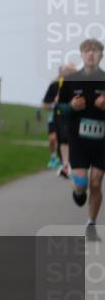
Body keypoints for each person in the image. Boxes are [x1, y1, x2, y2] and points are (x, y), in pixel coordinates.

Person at [58, 38, 105, 237]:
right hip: (78, 141)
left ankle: (91, 223)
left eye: (95, 51)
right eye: (87, 50)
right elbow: (59, 108)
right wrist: (71, 106)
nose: (91, 54)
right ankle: (78, 191)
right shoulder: (70, 80)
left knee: (96, 182)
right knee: (82, 185)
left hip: (102, 142)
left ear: (101, 55)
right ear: (82, 55)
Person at [43, 64, 78, 176]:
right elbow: (45, 105)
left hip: (73, 116)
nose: (69, 73)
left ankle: (68, 164)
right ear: (61, 72)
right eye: (67, 71)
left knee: (68, 138)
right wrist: (56, 102)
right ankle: (58, 160)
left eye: (72, 71)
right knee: (57, 138)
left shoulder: (78, 85)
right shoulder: (54, 85)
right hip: (56, 116)